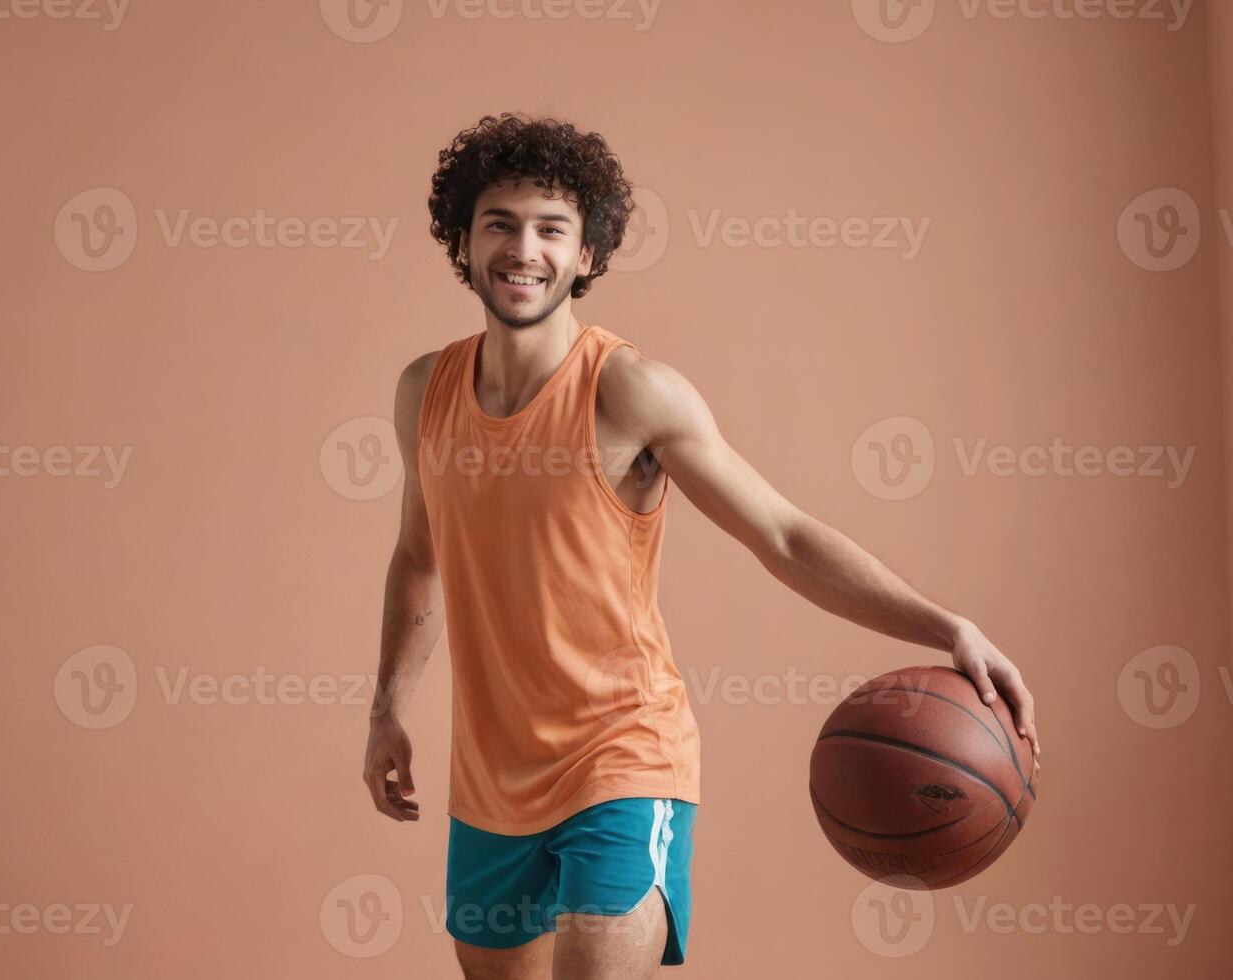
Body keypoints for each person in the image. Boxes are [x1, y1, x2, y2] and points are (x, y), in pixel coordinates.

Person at [363, 112, 1041, 980]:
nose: (521, 248)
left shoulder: (629, 393)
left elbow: (784, 536)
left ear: (587, 256)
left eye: (550, 229)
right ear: (464, 239)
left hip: (622, 754)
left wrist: (946, 626)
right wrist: (386, 710)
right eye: (498, 223)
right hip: (488, 774)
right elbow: (418, 560)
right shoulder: (425, 390)